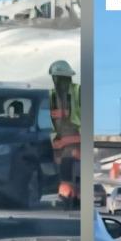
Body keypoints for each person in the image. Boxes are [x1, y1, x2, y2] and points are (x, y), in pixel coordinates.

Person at [49, 60, 81, 209]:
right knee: (65, 175)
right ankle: (68, 197)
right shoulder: (52, 96)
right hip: (61, 147)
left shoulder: (78, 92)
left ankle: (74, 198)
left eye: (61, 78)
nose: (58, 81)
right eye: (56, 78)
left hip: (76, 145)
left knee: (71, 173)